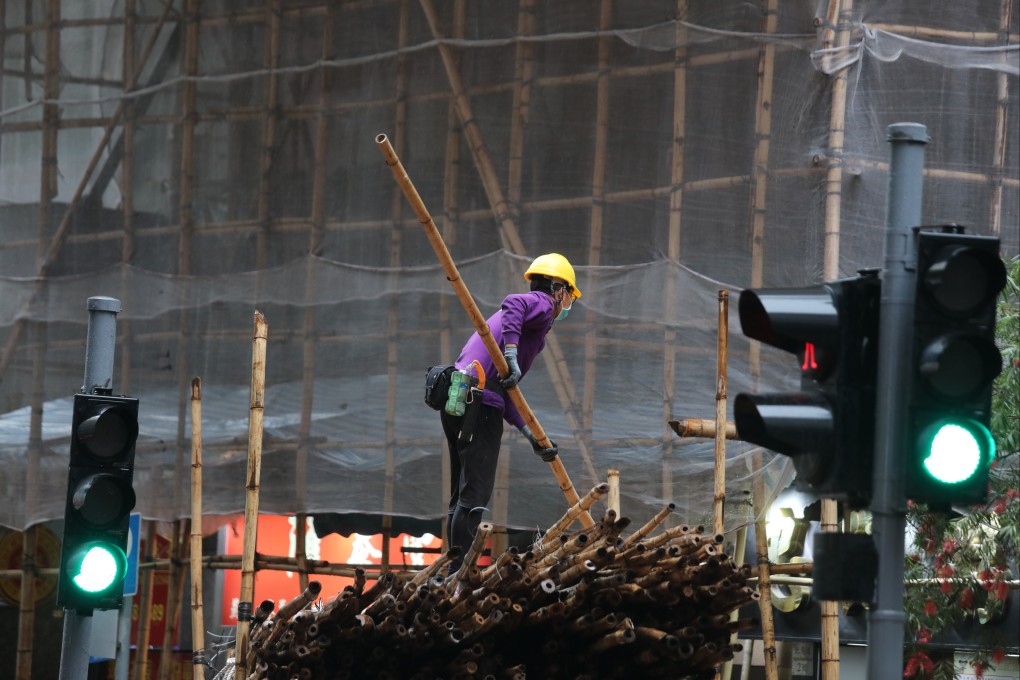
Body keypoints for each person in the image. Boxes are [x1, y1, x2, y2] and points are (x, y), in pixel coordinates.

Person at [441, 253, 582, 570]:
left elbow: (503, 391)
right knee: (474, 496)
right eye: (568, 297)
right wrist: (512, 354)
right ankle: (457, 576)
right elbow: (512, 304)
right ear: (558, 289)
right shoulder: (542, 305)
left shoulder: (527, 327)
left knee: (461, 496)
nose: (564, 306)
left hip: (458, 399)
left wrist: (529, 433)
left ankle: (450, 572)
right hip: (479, 406)